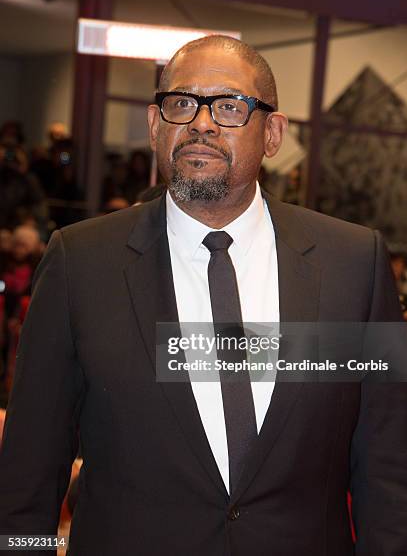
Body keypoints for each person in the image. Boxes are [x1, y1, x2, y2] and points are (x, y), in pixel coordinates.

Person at [0, 35, 406, 556]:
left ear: (273, 133)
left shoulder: (354, 264)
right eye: (181, 103)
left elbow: (390, 468)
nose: (201, 123)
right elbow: (28, 476)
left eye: (230, 106)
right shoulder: (80, 263)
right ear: (154, 125)